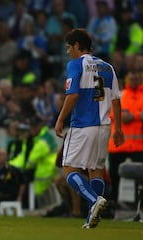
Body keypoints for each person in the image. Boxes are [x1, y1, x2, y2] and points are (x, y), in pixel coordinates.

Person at [54, 28, 124, 229]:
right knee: (96, 172)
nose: (68, 51)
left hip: (83, 125)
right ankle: (91, 217)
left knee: (69, 169)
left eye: (69, 47)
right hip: (104, 127)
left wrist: (60, 120)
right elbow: (116, 100)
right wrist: (118, 128)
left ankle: (94, 201)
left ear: (77, 45)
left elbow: (73, 94)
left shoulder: (76, 64)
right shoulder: (107, 67)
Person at [108, 70, 143, 208]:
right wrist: (136, 115)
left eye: (136, 79)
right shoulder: (121, 95)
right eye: (131, 78)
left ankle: (138, 205)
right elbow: (111, 113)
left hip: (138, 144)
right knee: (113, 176)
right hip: (119, 143)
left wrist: (131, 116)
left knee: (140, 177)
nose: (134, 81)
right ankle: (112, 202)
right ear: (128, 80)